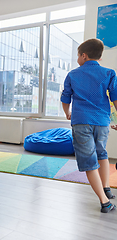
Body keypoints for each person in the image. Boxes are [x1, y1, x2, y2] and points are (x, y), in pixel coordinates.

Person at [61, 38, 117, 213]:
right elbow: (115, 100)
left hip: (81, 122)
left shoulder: (72, 74)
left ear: (84, 56)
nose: (77, 58)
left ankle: (104, 201)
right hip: (102, 122)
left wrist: (67, 113)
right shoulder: (109, 73)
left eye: (78, 55)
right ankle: (106, 187)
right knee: (102, 153)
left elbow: (65, 98)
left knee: (89, 162)